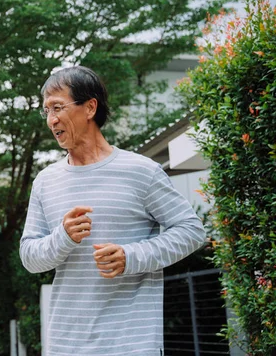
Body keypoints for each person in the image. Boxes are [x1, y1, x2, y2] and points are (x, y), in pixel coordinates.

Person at [19, 66, 206, 356]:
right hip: (66, 344)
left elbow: (191, 231)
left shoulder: (141, 171)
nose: (51, 119)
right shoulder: (45, 181)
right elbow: (30, 257)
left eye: (58, 107)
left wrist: (130, 256)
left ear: (90, 107)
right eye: (46, 111)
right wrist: (63, 237)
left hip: (132, 343)